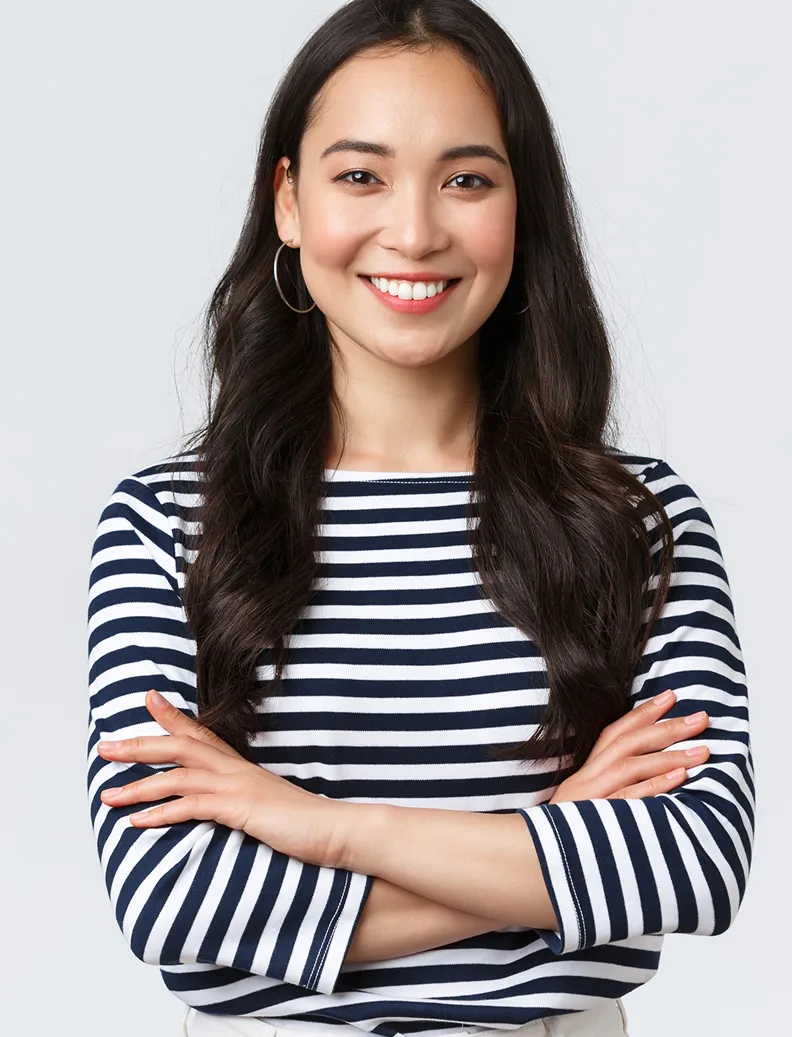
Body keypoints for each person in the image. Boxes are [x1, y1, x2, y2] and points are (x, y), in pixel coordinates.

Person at [85, 2, 754, 1035]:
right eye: (361, 174)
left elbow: (694, 861)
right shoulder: (168, 525)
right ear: (290, 201)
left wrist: (314, 826)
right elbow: (178, 900)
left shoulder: (637, 519)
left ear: (520, 207)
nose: (415, 229)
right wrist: (560, 829)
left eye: (467, 178)